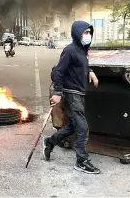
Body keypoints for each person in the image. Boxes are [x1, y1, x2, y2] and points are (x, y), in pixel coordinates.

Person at [44, 20, 100, 174]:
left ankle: (50, 142)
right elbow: (59, 72)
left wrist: (91, 72)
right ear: (77, 33)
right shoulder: (69, 50)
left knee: (73, 126)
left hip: (79, 92)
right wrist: (57, 93)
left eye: (89, 33)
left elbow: (83, 65)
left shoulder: (82, 50)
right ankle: (81, 161)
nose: (87, 35)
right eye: (85, 32)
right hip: (72, 93)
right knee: (82, 128)